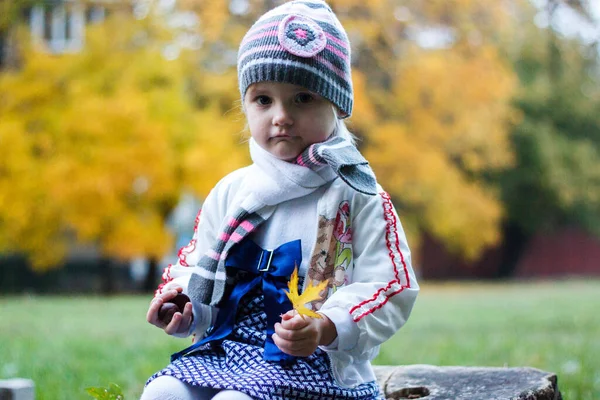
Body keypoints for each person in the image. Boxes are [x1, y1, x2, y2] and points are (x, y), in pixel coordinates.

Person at [141, 1, 419, 399]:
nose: (281, 116)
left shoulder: (357, 192)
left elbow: (391, 286)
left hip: (315, 361)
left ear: (337, 102)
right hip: (230, 347)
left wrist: (326, 326)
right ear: (245, 105)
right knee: (163, 393)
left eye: (302, 98)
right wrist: (186, 307)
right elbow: (198, 267)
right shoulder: (234, 192)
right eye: (263, 99)